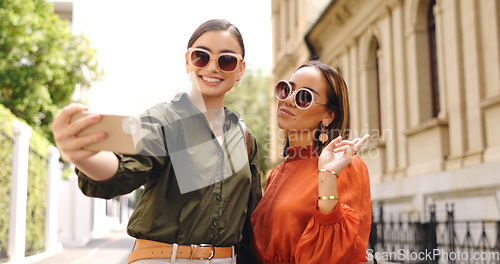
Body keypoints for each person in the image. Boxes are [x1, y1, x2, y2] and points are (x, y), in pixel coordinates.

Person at [51, 19, 262, 264]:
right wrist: (83, 155)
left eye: (226, 60)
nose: (213, 67)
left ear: (240, 70)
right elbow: (124, 168)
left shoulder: (245, 138)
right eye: (201, 57)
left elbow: (252, 223)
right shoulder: (163, 120)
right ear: (187, 62)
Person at [250, 61, 372, 264]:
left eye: (304, 97)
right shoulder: (276, 174)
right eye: (286, 89)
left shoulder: (347, 166)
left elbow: (338, 252)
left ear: (328, 115)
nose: (288, 100)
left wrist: (326, 176)